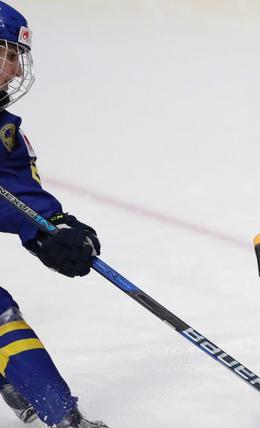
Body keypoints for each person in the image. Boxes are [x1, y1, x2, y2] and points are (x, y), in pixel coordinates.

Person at [0, 2, 108, 427]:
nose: (10, 70)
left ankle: (48, 406)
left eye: (14, 58)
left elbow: (16, 194)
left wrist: (54, 231)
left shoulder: (5, 134)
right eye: (3, 53)